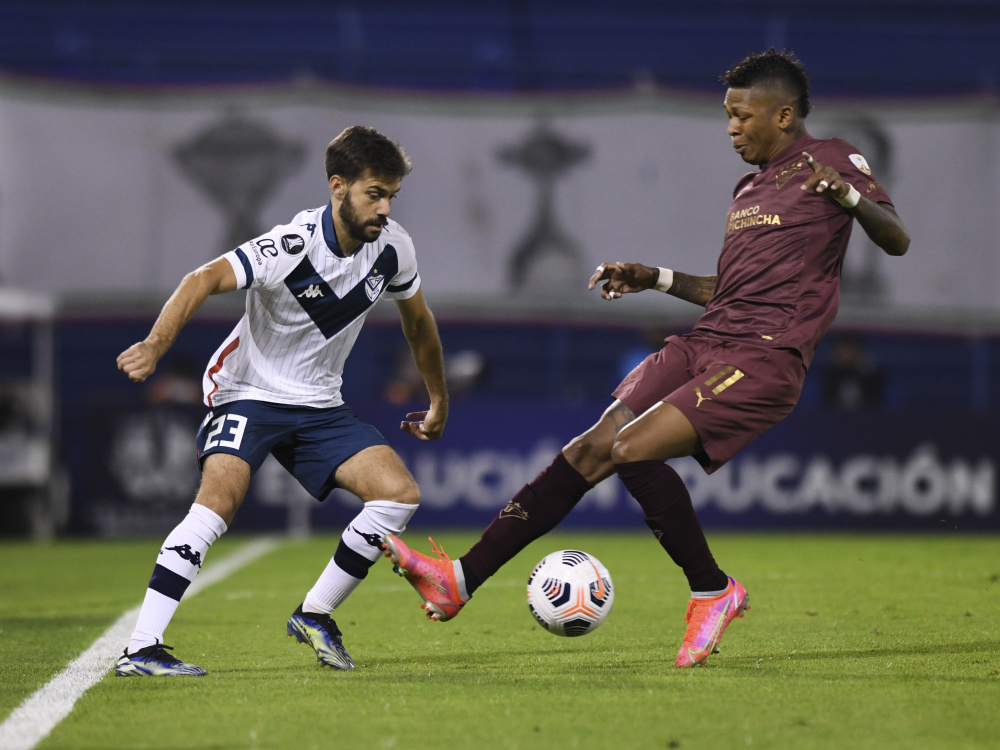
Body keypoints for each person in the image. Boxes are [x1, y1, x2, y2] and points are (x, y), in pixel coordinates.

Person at [382, 49, 909, 668]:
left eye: (741, 115)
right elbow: (730, 290)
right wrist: (652, 276)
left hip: (766, 356)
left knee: (632, 449)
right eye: (727, 116)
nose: (732, 127)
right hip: (707, 339)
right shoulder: (750, 188)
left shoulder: (833, 160)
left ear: (784, 114)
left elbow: (896, 238)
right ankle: (460, 580)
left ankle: (713, 590)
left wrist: (848, 197)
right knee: (587, 450)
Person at [114, 125, 448, 676]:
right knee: (218, 501)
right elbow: (200, 279)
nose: (385, 208)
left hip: (320, 403)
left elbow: (419, 323)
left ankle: (315, 614)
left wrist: (438, 398)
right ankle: (141, 649)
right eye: (374, 194)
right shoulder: (288, 247)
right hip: (250, 392)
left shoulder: (394, 249)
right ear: (338, 186)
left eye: (391, 196)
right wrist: (154, 344)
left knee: (397, 495)